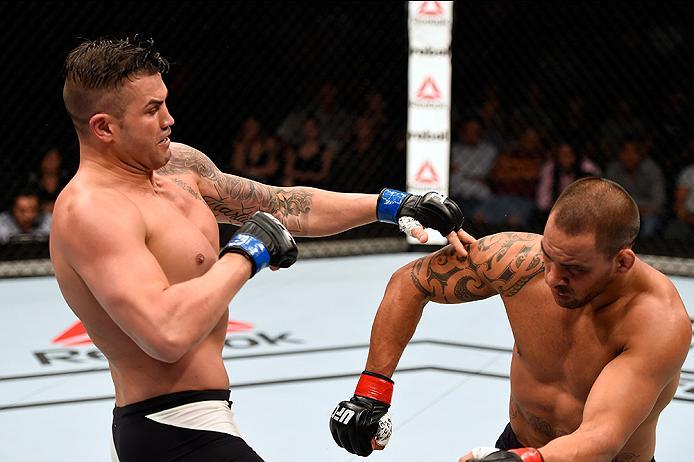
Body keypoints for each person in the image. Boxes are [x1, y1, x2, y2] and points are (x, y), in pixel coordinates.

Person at [50, 36, 471, 462]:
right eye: (151, 110)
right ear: (104, 127)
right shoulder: (93, 211)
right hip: (167, 429)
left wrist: (395, 205)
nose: (169, 119)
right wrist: (247, 252)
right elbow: (166, 333)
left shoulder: (179, 166)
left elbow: (283, 206)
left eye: (165, 102)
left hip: (199, 418)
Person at [329, 177, 691, 461]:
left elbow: (601, 438)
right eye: (550, 255)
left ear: (622, 262)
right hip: (519, 445)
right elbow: (410, 283)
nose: (552, 277)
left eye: (574, 270)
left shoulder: (657, 322)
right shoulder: (518, 261)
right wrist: (372, 391)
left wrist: (525, 461)